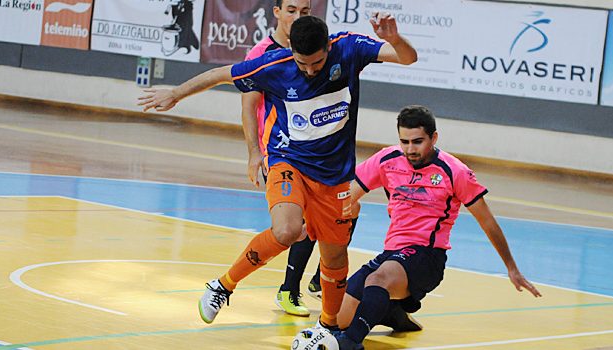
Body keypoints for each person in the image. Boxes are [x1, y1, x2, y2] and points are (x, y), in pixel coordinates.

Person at [138, 14, 417, 328]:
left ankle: (326, 328)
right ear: (292, 53)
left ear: (328, 46)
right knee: (286, 230)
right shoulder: (274, 65)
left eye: (317, 63)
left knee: (334, 257)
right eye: (302, 64)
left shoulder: (349, 48)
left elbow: (408, 58)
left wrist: (393, 37)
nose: (310, 70)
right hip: (289, 161)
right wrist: (176, 94)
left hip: (334, 175)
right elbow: (219, 74)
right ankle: (223, 285)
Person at [333, 105, 542, 349]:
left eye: (417, 141)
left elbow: (488, 222)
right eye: (404, 142)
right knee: (342, 318)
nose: (410, 149)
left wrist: (512, 268)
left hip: (427, 257)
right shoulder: (387, 160)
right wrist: (313, 224)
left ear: (433, 138)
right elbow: (347, 199)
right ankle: (391, 312)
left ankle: (351, 343)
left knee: (377, 281)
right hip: (393, 253)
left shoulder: (455, 171)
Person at [240, 0, 320, 318]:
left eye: (304, 11)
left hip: (315, 148)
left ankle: (316, 279)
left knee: (343, 210)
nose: (298, 17)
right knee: (297, 221)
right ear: (276, 12)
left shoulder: (317, 46)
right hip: (281, 149)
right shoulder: (260, 54)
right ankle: (289, 289)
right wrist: (252, 154)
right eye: (291, 10)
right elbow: (248, 106)